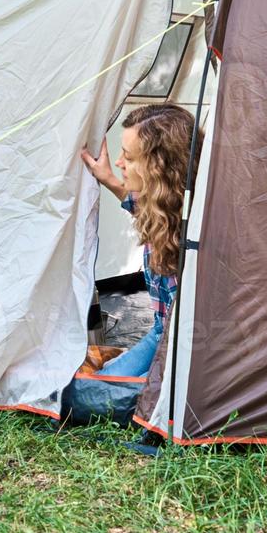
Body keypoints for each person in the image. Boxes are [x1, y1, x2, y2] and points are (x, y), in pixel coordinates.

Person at [79, 103, 201, 379]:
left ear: (159, 167)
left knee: (96, 395)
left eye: (129, 158)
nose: (121, 163)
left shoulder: (197, 230)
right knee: (101, 380)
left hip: (187, 344)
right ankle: (112, 365)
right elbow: (140, 205)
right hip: (162, 330)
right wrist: (108, 178)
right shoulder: (163, 210)